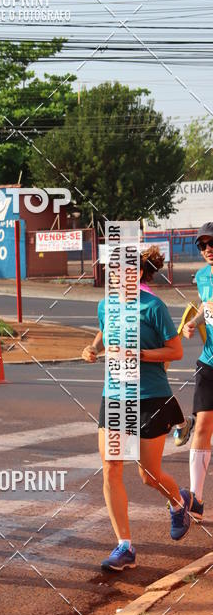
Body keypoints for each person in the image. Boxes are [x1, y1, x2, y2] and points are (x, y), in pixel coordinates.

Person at [83, 245, 192, 572]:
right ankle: (125, 546)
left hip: (151, 397)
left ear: (140, 273)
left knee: (148, 474)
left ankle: (178, 502)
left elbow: (176, 351)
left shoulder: (153, 307)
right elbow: (105, 331)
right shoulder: (105, 305)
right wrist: (93, 347)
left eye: (127, 269)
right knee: (112, 468)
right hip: (114, 396)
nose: (119, 275)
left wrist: (141, 355)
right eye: (115, 270)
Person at [181, 221, 213, 522]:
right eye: (202, 245)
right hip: (209, 361)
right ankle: (196, 499)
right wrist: (195, 322)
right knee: (203, 426)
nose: (207, 249)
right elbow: (206, 307)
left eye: (211, 243)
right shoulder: (203, 276)